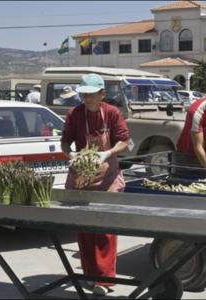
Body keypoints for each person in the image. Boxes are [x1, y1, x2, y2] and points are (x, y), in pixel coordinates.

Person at [60, 73, 130, 297]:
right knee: (84, 227)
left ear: (102, 94)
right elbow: (65, 141)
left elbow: (124, 141)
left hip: (107, 176)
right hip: (82, 174)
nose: (87, 99)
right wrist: (70, 155)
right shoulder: (75, 114)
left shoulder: (111, 113)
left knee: (106, 228)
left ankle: (105, 279)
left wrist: (107, 153)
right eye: (84, 95)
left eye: (91, 94)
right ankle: (90, 276)